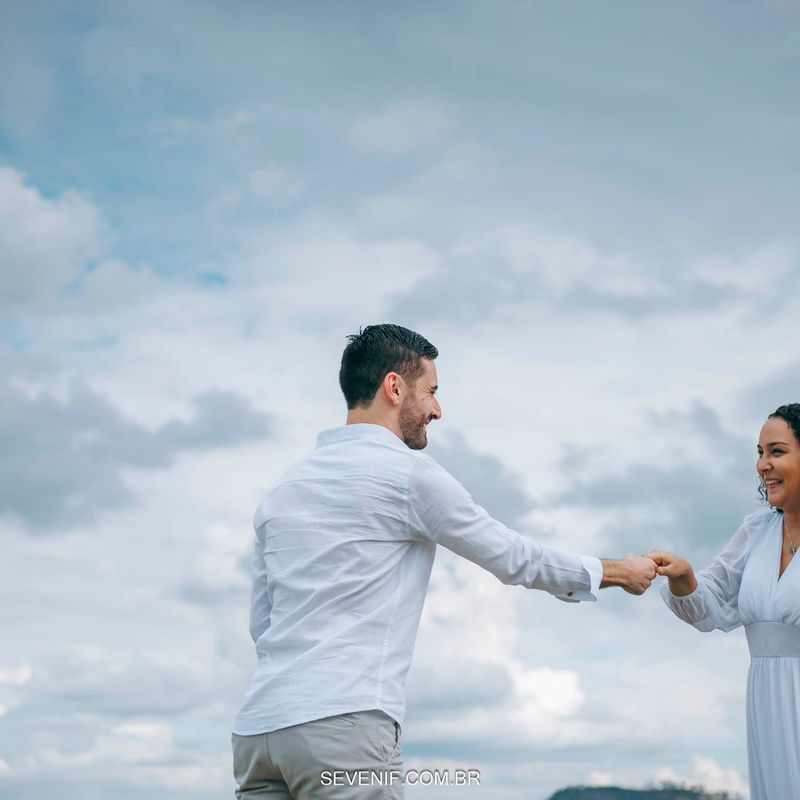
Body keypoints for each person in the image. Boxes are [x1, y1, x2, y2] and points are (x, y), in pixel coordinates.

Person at [231, 323, 657, 800]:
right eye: (431, 391)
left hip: (259, 729)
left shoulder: (282, 491)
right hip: (342, 724)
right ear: (394, 387)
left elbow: (262, 623)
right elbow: (512, 556)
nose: (437, 408)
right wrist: (617, 571)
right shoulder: (408, 476)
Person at [649, 403, 800, 800]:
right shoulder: (757, 530)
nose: (762, 465)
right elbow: (708, 605)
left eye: (777, 451)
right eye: (760, 452)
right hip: (765, 701)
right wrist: (684, 576)